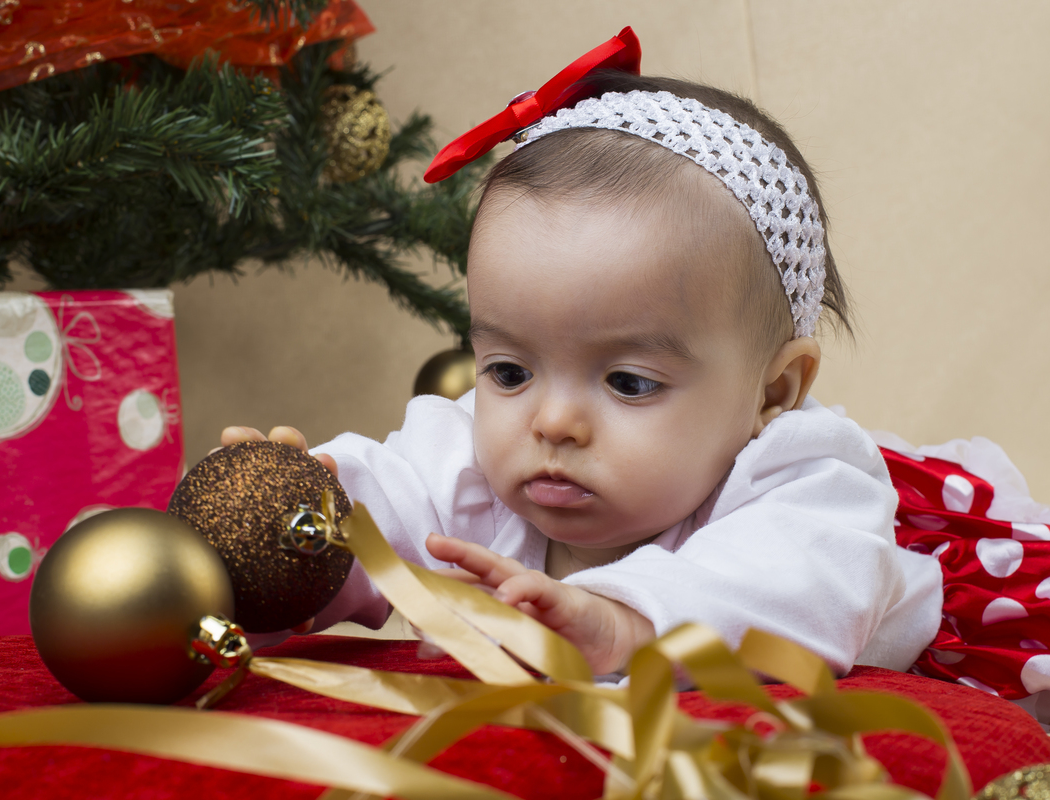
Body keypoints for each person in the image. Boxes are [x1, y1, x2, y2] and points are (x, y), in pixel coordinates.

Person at [220, 29, 944, 679]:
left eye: (629, 382)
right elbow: (397, 496)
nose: (553, 421)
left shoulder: (810, 483)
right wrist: (303, 528)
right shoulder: (477, 461)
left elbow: (802, 588)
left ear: (774, 391)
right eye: (510, 371)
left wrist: (626, 622)